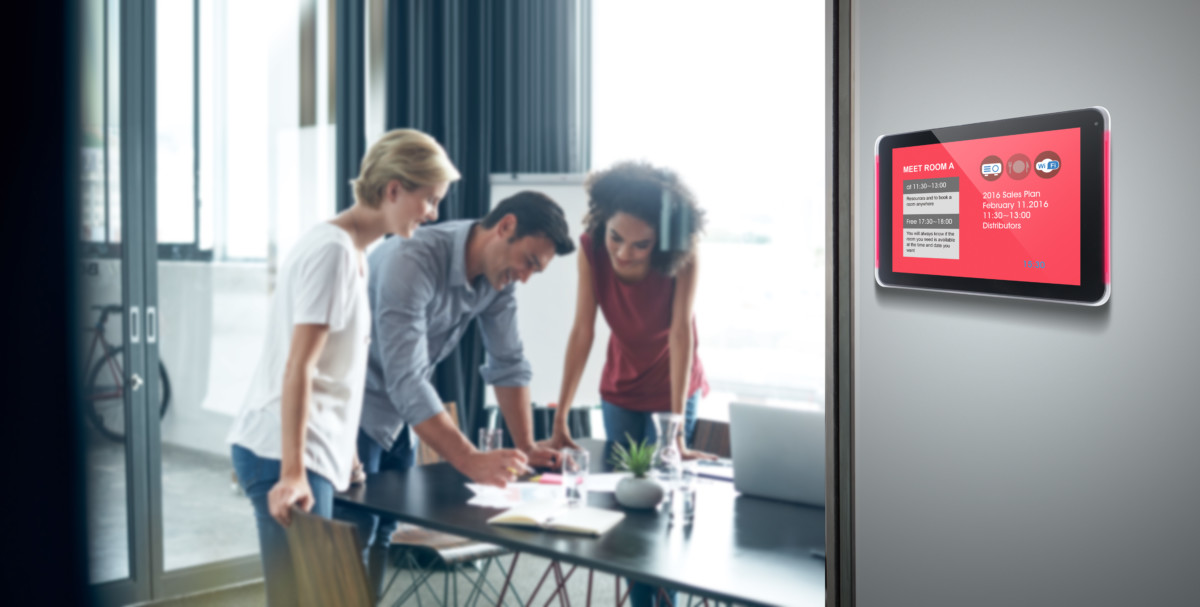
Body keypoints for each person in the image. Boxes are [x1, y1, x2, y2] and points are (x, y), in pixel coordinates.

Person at [225, 129, 459, 607]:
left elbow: (338, 372)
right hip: (284, 454)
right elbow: (300, 366)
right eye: (429, 199)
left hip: (313, 452)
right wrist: (292, 473)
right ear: (394, 189)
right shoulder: (332, 250)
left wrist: (343, 450)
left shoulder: (354, 252)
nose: (433, 213)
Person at [336, 190, 576, 597]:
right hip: (355, 414)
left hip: (403, 424)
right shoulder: (412, 259)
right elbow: (407, 379)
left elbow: (509, 362)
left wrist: (527, 445)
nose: (525, 277)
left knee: (381, 538)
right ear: (506, 227)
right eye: (529, 262)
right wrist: (470, 459)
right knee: (349, 543)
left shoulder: (498, 279)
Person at [546, 160, 714, 607]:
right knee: (625, 510)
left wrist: (674, 429)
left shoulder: (684, 254)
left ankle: (668, 602)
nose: (623, 253)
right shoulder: (591, 248)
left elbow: (682, 334)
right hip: (619, 388)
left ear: (662, 240)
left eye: (640, 245)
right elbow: (583, 330)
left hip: (672, 388)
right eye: (616, 238)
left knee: (664, 507)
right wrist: (560, 415)